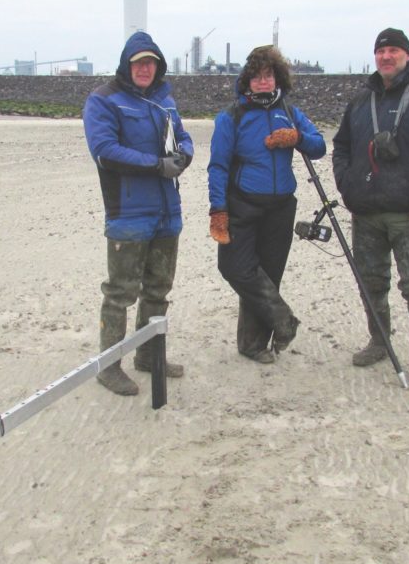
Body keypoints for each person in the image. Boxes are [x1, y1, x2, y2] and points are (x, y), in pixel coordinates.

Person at [331, 28, 409, 389]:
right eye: (381, 51)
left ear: (406, 55)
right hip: (367, 213)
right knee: (371, 283)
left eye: (393, 51)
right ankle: (379, 340)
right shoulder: (360, 101)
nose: (386, 57)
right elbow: (340, 147)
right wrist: (348, 185)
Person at [82, 31, 194, 396]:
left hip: (167, 212)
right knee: (120, 293)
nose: (145, 68)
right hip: (128, 214)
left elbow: (182, 135)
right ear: (127, 65)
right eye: (139, 62)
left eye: (151, 62)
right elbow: (105, 151)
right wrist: (156, 165)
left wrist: (185, 155)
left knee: (158, 290)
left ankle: (148, 356)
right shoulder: (103, 100)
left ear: (158, 65)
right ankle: (108, 366)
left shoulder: (165, 100)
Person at [207, 45, 326, 363]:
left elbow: (319, 146)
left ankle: (253, 345)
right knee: (234, 267)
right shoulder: (231, 117)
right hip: (242, 204)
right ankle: (284, 321)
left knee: (267, 276)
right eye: (257, 77)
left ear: (278, 79)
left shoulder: (289, 113)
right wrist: (217, 209)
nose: (263, 82)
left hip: (281, 207)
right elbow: (218, 166)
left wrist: (297, 138)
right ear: (247, 81)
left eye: (268, 76)